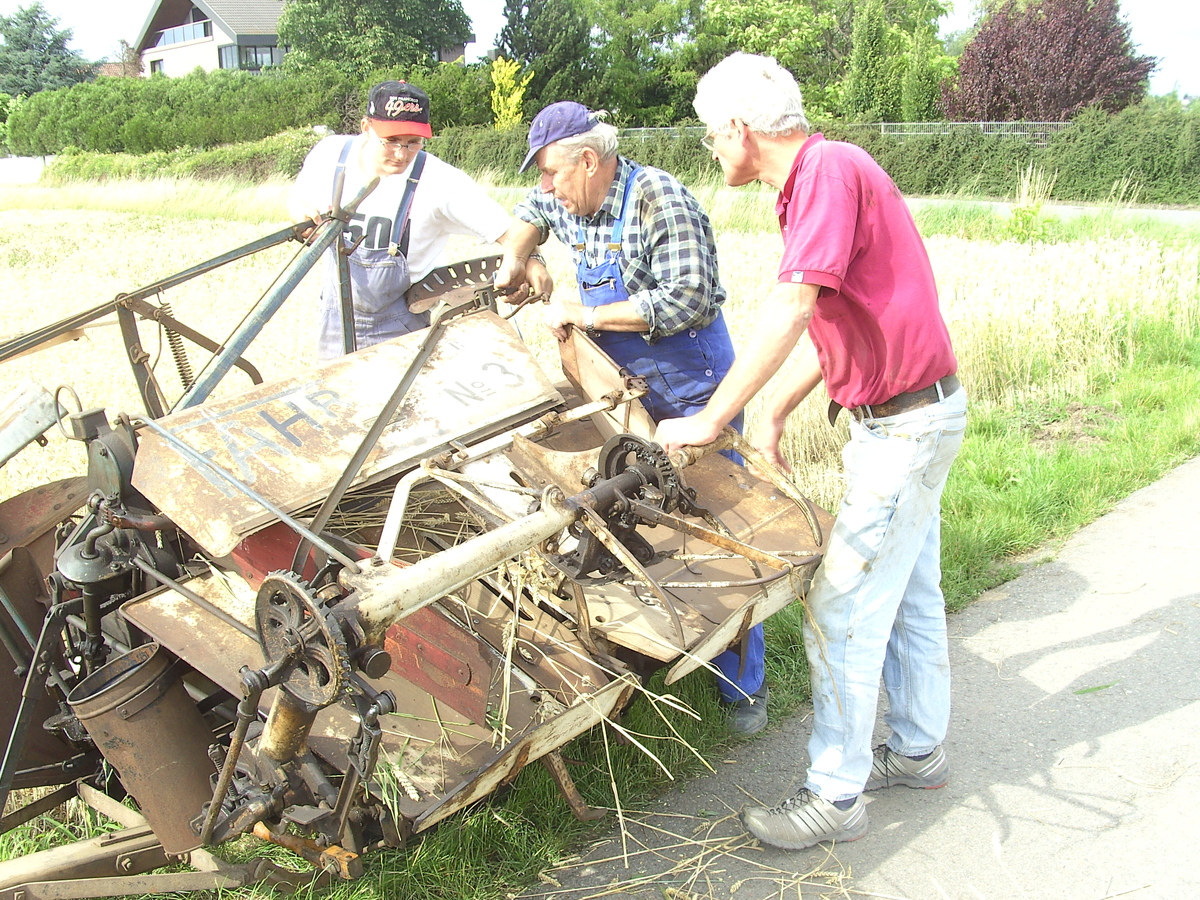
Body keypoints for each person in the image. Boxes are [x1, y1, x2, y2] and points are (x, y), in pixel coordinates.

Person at [655, 52, 968, 850]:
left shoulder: (824, 172)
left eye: (710, 135)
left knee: (840, 606)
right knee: (910, 591)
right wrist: (774, 413)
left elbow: (794, 306)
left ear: (739, 127)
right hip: (911, 417)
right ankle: (920, 750)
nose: (712, 150)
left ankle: (835, 797)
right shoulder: (820, 178)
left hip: (904, 428)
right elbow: (840, 319)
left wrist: (712, 418)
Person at [504, 100, 769, 734]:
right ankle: (661, 646)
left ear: (587, 161)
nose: (547, 188)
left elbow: (686, 300)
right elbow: (528, 214)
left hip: (691, 385)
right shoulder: (569, 198)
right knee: (640, 516)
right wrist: (522, 258)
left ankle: (742, 686)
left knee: (715, 525)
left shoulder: (657, 200)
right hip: (624, 389)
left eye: (551, 172)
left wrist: (586, 315)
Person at [289, 81, 530, 359]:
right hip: (335, 322)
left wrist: (529, 261)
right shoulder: (329, 156)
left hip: (401, 327)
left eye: (413, 142)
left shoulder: (441, 182)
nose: (402, 154)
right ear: (366, 127)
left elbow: (514, 234)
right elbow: (297, 202)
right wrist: (302, 216)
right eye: (391, 140)